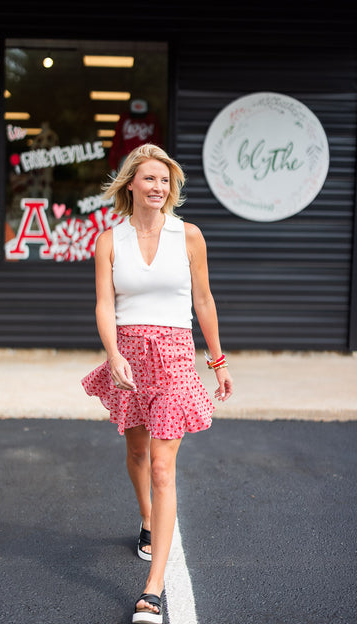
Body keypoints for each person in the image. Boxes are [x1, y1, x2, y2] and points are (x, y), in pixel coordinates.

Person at [81, 143, 233, 624]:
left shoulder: (187, 235)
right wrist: (113, 354)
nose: (158, 187)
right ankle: (146, 519)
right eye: (150, 179)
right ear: (131, 184)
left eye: (165, 181)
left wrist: (218, 360)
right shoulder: (110, 240)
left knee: (164, 468)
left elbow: (204, 301)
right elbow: (105, 306)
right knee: (137, 454)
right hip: (128, 357)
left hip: (172, 358)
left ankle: (153, 588)